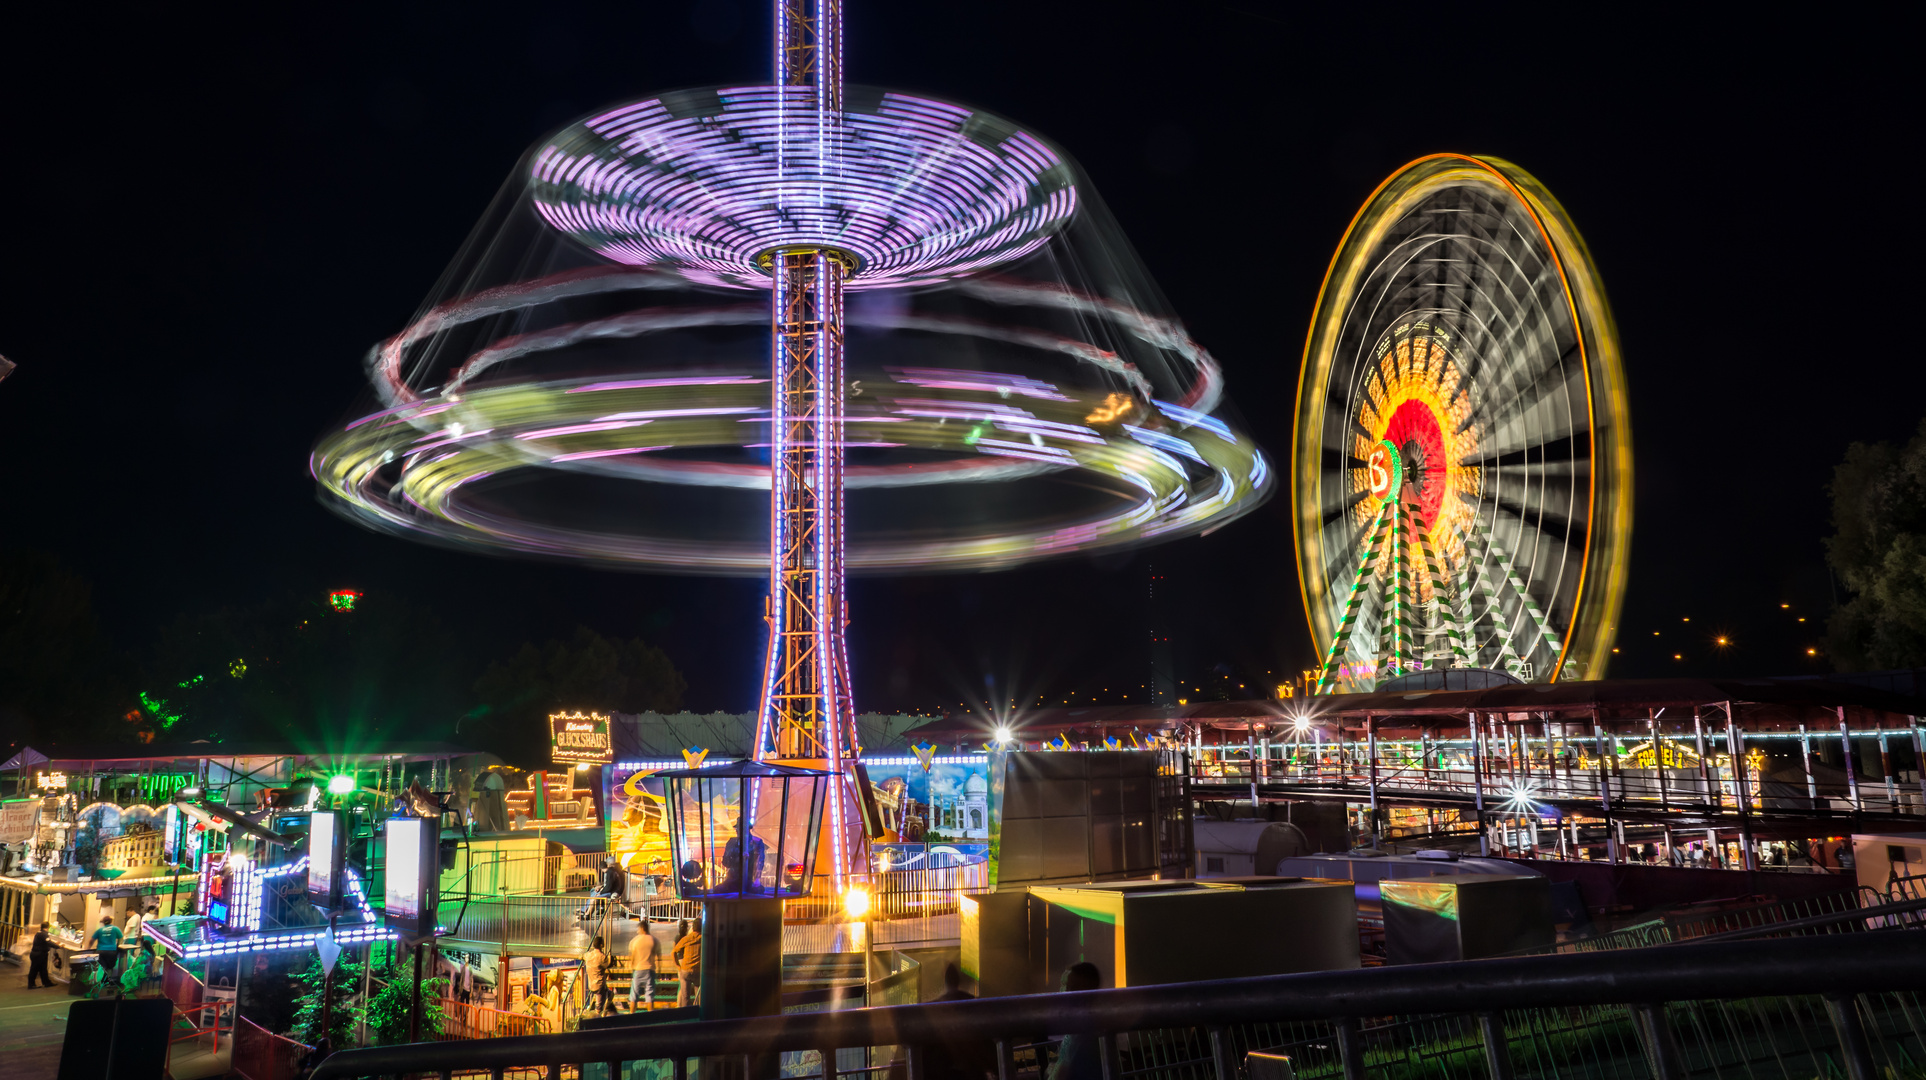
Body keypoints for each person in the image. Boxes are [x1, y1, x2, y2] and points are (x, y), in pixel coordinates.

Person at [1046, 963, 1102, 1080]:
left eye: (1072, 987)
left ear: (1088, 991)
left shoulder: (1082, 1032)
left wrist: (1053, 1070)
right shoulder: (1092, 1026)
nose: (1064, 992)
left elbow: (1059, 1076)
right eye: (1063, 985)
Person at [627, 924, 658, 1012]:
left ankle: (631, 1016)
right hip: (650, 969)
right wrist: (658, 969)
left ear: (641, 928)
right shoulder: (654, 940)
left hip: (638, 969)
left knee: (634, 995)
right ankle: (650, 1017)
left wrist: (631, 967)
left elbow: (632, 957)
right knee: (649, 996)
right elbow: (657, 956)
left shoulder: (635, 941)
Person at [673, 919, 702, 1008]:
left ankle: (684, 1016)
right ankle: (698, 1015)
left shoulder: (686, 939)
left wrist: (677, 965)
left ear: (693, 928)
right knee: (699, 997)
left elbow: (673, 952)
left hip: (685, 970)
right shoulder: (703, 939)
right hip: (697, 971)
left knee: (685, 997)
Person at [90, 914, 124, 987]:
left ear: (103, 922)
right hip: (111, 951)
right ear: (111, 921)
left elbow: (91, 940)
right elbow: (121, 938)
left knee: (102, 967)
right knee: (110, 967)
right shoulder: (115, 929)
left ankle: (100, 982)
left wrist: (89, 947)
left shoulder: (99, 930)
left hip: (100, 951)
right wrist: (118, 945)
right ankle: (107, 982)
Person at [583, 936, 612, 1015]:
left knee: (610, 994)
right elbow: (608, 964)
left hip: (591, 984)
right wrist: (609, 956)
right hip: (599, 986)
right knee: (598, 1008)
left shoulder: (588, 955)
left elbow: (582, 956)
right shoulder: (602, 957)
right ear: (601, 945)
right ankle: (599, 1016)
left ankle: (605, 1011)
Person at [27, 922, 55, 989]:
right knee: (35, 969)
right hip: (39, 954)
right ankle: (31, 984)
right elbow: (48, 942)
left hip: (37, 954)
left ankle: (46, 982)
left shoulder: (39, 933)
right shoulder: (44, 934)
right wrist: (58, 946)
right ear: (47, 928)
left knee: (43, 969)